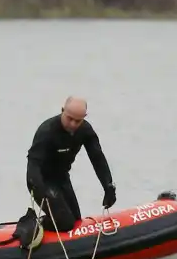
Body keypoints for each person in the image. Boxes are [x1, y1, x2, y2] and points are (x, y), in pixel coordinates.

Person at [25, 96, 116, 232]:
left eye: (78, 121)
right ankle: (33, 227)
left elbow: (97, 158)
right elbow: (33, 166)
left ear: (84, 117)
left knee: (76, 221)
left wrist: (108, 186)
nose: (73, 124)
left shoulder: (85, 130)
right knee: (65, 223)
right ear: (62, 111)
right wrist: (41, 191)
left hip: (61, 178)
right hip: (41, 180)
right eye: (69, 119)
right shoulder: (47, 131)